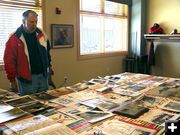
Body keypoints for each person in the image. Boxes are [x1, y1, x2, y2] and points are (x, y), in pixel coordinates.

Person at [3, 10, 54, 96]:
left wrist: (49, 66)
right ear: (23, 21)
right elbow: (9, 61)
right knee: (30, 106)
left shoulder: (41, 33)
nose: (34, 24)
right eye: (31, 22)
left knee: (45, 104)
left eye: (36, 21)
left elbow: (47, 52)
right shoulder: (15, 37)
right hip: (27, 79)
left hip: (43, 76)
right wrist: (12, 80)